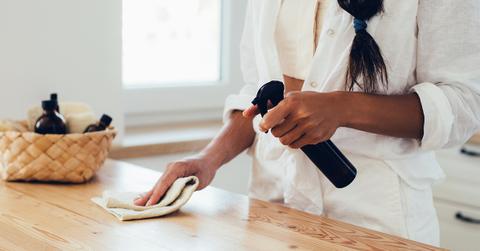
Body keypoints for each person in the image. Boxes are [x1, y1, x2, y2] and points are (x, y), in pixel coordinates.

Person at [135, 0, 480, 245]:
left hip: (376, 222)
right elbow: (258, 94)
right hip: (273, 215)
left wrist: (342, 108)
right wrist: (207, 160)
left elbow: (464, 102)